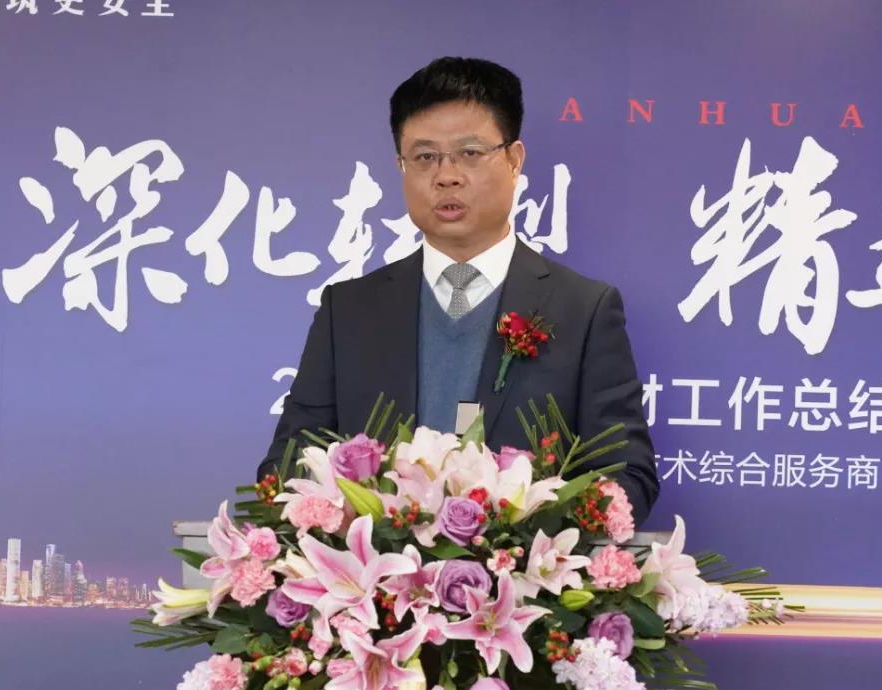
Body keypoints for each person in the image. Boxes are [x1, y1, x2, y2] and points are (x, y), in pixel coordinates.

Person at [259, 57, 660, 522]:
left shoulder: (583, 310)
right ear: (401, 166)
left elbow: (626, 474)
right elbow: (289, 466)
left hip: (522, 567)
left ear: (514, 160)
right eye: (425, 157)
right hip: (376, 566)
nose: (446, 175)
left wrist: (526, 536)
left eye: (470, 153)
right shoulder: (347, 310)